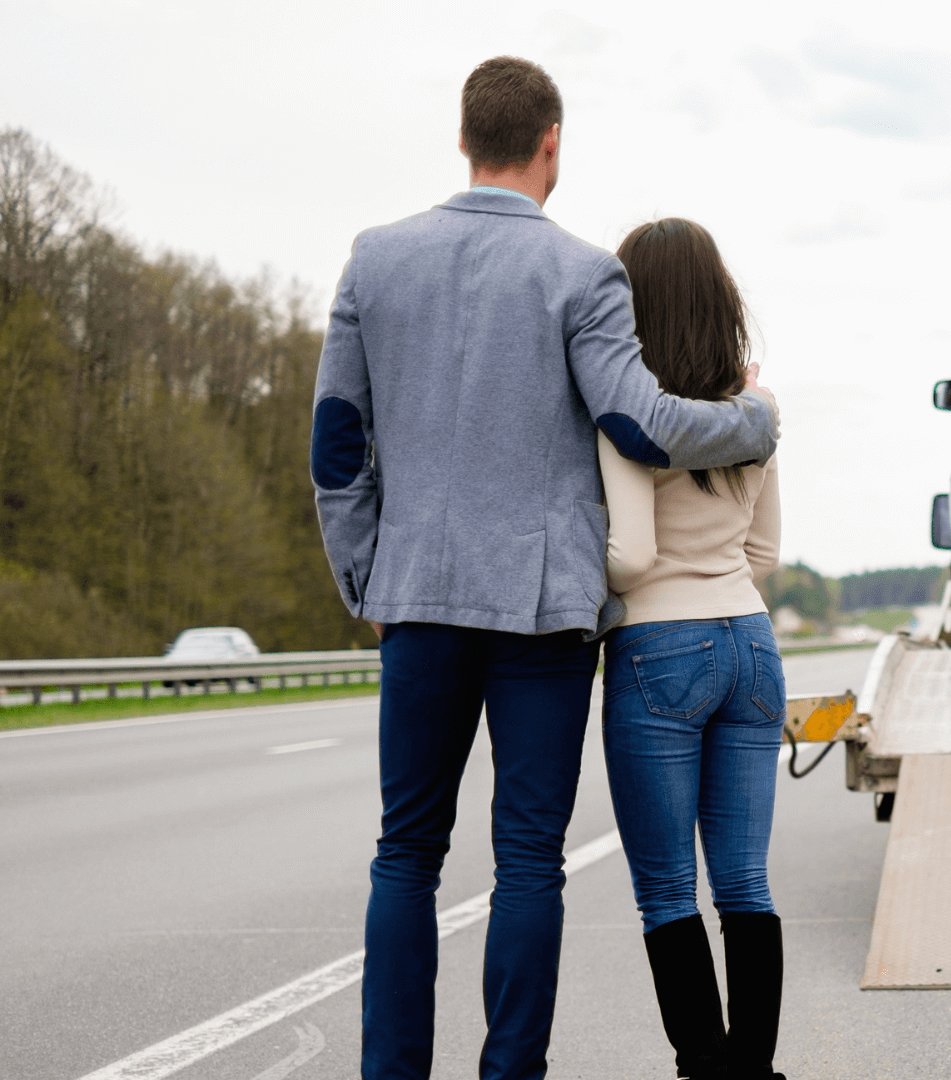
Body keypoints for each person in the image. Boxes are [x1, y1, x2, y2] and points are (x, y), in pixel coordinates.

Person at [309, 59, 780, 1080]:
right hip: (545, 611)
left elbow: (338, 440)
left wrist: (365, 577)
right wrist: (753, 422)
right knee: (528, 860)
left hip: (419, 595)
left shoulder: (374, 259)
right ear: (552, 141)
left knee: (405, 854)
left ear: (465, 137)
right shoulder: (579, 273)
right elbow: (640, 423)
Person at [596, 218, 787, 1080]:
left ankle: (707, 1072)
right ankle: (752, 1072)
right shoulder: (754, 412)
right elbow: (765, 557)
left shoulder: (626, 414)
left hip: (657, 649)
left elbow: (631, 555)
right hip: (751, 642)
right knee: (745, 883)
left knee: (668, 891)